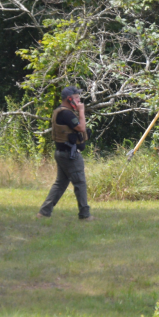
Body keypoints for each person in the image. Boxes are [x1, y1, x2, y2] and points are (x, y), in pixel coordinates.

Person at [38, 86, 93, 221]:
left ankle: (44, 212)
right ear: (69, 99)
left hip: (62, 152)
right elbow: (81, 127)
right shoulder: (66, 113)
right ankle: (85, 215)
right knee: (80, 183)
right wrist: (81, 111)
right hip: (70, 154)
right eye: (76, 97)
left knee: (60, 184)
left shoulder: (60, 111)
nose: (79, 100)